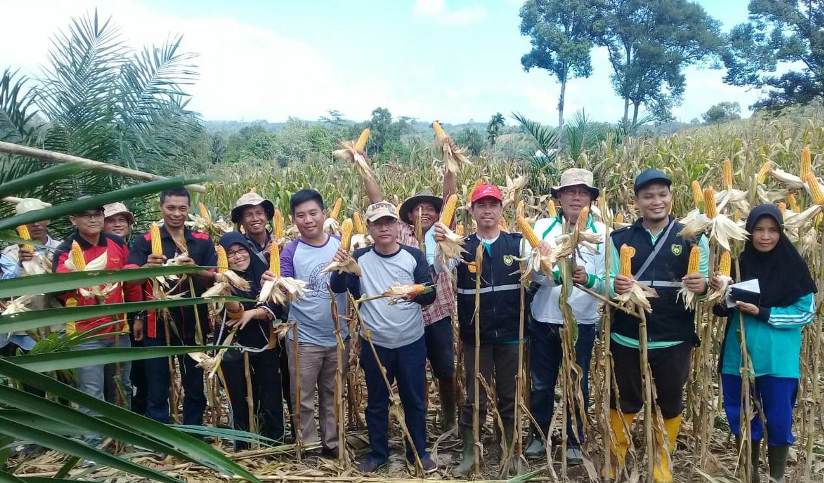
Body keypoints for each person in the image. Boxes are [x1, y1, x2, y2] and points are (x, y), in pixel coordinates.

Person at [608, 169, 708, 482]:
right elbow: (610, 284)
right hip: (627, 336)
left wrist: (701, 284)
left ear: (671, 197)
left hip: (673, 337)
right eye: (648, 196)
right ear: (636, 201)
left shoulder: (692, 237)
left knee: (670, 399)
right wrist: (617, 287)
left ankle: (662, 462)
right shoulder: (619, 238)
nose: (656, 201)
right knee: (624, 397)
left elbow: (704, 286)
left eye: (662, 195)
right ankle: (616, 456)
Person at [710, 204, 816, 483]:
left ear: (781, 232)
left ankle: (777, 477)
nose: (765, 236)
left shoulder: (794, 268)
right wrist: (720, 295)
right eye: (758, 229)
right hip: (738, 357)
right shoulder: (738, 263)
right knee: (744, 419)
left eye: (772, 230)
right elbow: (723, 308)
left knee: (779, 421)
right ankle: (751, 474)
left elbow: (806, 313)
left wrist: (763, 312)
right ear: (749, 232)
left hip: (778, 360)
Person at [330, 201, 437, 474]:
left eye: (389, 222)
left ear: (398, 226)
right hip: (375, 344)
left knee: (414, 399)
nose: (384, 228)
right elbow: (341, 289)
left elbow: (430, 294)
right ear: (369, 228)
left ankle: (418, 451)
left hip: (411, 342)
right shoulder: (360, 258)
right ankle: (378, 453)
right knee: (377, 401)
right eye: (378, 224)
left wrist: (415, 292)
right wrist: (341, 267)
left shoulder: (414, 256)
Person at [434, 183, 526, 477]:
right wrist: (438, 241)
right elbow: (436, 266)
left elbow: (538, 276)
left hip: (512, 334)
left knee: (510, 396)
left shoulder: (517, 244)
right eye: (481, 205)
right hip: (476, 337)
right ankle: (470, 453)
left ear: (501, 209)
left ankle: (510, 449)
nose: (488, 210)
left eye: (493, 205)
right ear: (472, 211)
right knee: (475, 398)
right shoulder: (460, 248)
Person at [362, 165, 459, 431]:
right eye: (418, 208)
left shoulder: (442, 231)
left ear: (438, 214)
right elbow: (376, 202)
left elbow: (451, 196)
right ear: (406, 215)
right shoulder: (400, 232)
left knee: (445, 369)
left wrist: (449, 166)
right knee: (415, 373)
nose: (424, 212)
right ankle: (420, 419)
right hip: (405, 316)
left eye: (430, 208)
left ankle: (450, 416)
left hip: (436, 313)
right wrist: (363, 166)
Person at [524, 168, 605, 463]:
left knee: (577, 382)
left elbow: (611, 281)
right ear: (558, 197)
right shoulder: (542, 227)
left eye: (583, 192)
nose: (576, 197)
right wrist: (552, 273)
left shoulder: (603, 233)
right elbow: (529, 273)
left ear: (591, 199)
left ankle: (574, 438)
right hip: (545, 320)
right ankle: (538, 434)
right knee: (542, 383)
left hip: (582, 322)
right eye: (570, 192)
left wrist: (589, 281)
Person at [126, 188, 217, 425]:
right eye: (171, 208)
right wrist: (149, 268)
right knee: (157, 384)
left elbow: (217, 278)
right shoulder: (145, 241)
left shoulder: (202, 241)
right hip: (157, 324)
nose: (176, 213)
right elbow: (128, 280)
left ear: (189, 209)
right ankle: (161, 433)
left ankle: (194, 431)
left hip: (193, 323)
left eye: (182, 208)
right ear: (161, 207)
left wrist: (194, 269)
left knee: (194, 385)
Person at [268, 189, 349, 458]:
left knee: (332, 394)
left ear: (324, 214)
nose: (308, 220)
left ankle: (333, 443)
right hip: (303, 337)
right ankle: (310, 447)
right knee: (302, 397)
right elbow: (285, 290)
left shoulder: (341, 245)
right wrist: (273, 282)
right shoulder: (290, 251)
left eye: (313, 213)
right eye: (301, 215)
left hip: (338, 336)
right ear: (293, 220)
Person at [53, 205, 141, 413]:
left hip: (118, 330)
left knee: (122, 386)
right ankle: (94, 442)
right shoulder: (65, 250)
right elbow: (59, 290)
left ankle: (123, 438)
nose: (93, 220)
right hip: (85, 334)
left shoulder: (117, 243)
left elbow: (129, 284)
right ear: (73, 220)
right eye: (86, 215)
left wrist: (137, 315)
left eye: (97, 215)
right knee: (91, 391)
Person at [231, 190, 295, 441]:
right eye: (249, 214)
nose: (255, 218)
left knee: (287, 379)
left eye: (260, 213)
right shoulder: (237, 248)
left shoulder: (284, 244)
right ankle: (259, 432)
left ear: (268, 216)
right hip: (254, 330)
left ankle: (290, 430)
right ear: (241, 220)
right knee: (258, 382)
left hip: (285, 323)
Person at [218, 232, 285, 449]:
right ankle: (244, 443)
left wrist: (253, 313)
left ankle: (274, 441)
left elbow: (276, 304)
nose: (237, 257)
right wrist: (228, 295)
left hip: (266, 344)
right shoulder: (222, 281)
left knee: (271, 394)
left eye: (241, 251)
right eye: (231, 254)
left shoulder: (262, 272)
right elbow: (232, 314)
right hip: (234, 347)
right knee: (241, 397)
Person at [102, 201, 145, 413]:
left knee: (126, 378)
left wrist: (137, 316)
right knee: (103, 380)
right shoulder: (94, 249)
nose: (118, 224)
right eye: (111, 220)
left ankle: (125, 424)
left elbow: (132, 289)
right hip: (99, 326)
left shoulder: (130, 248)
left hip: (125, 325)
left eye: (122, 220)